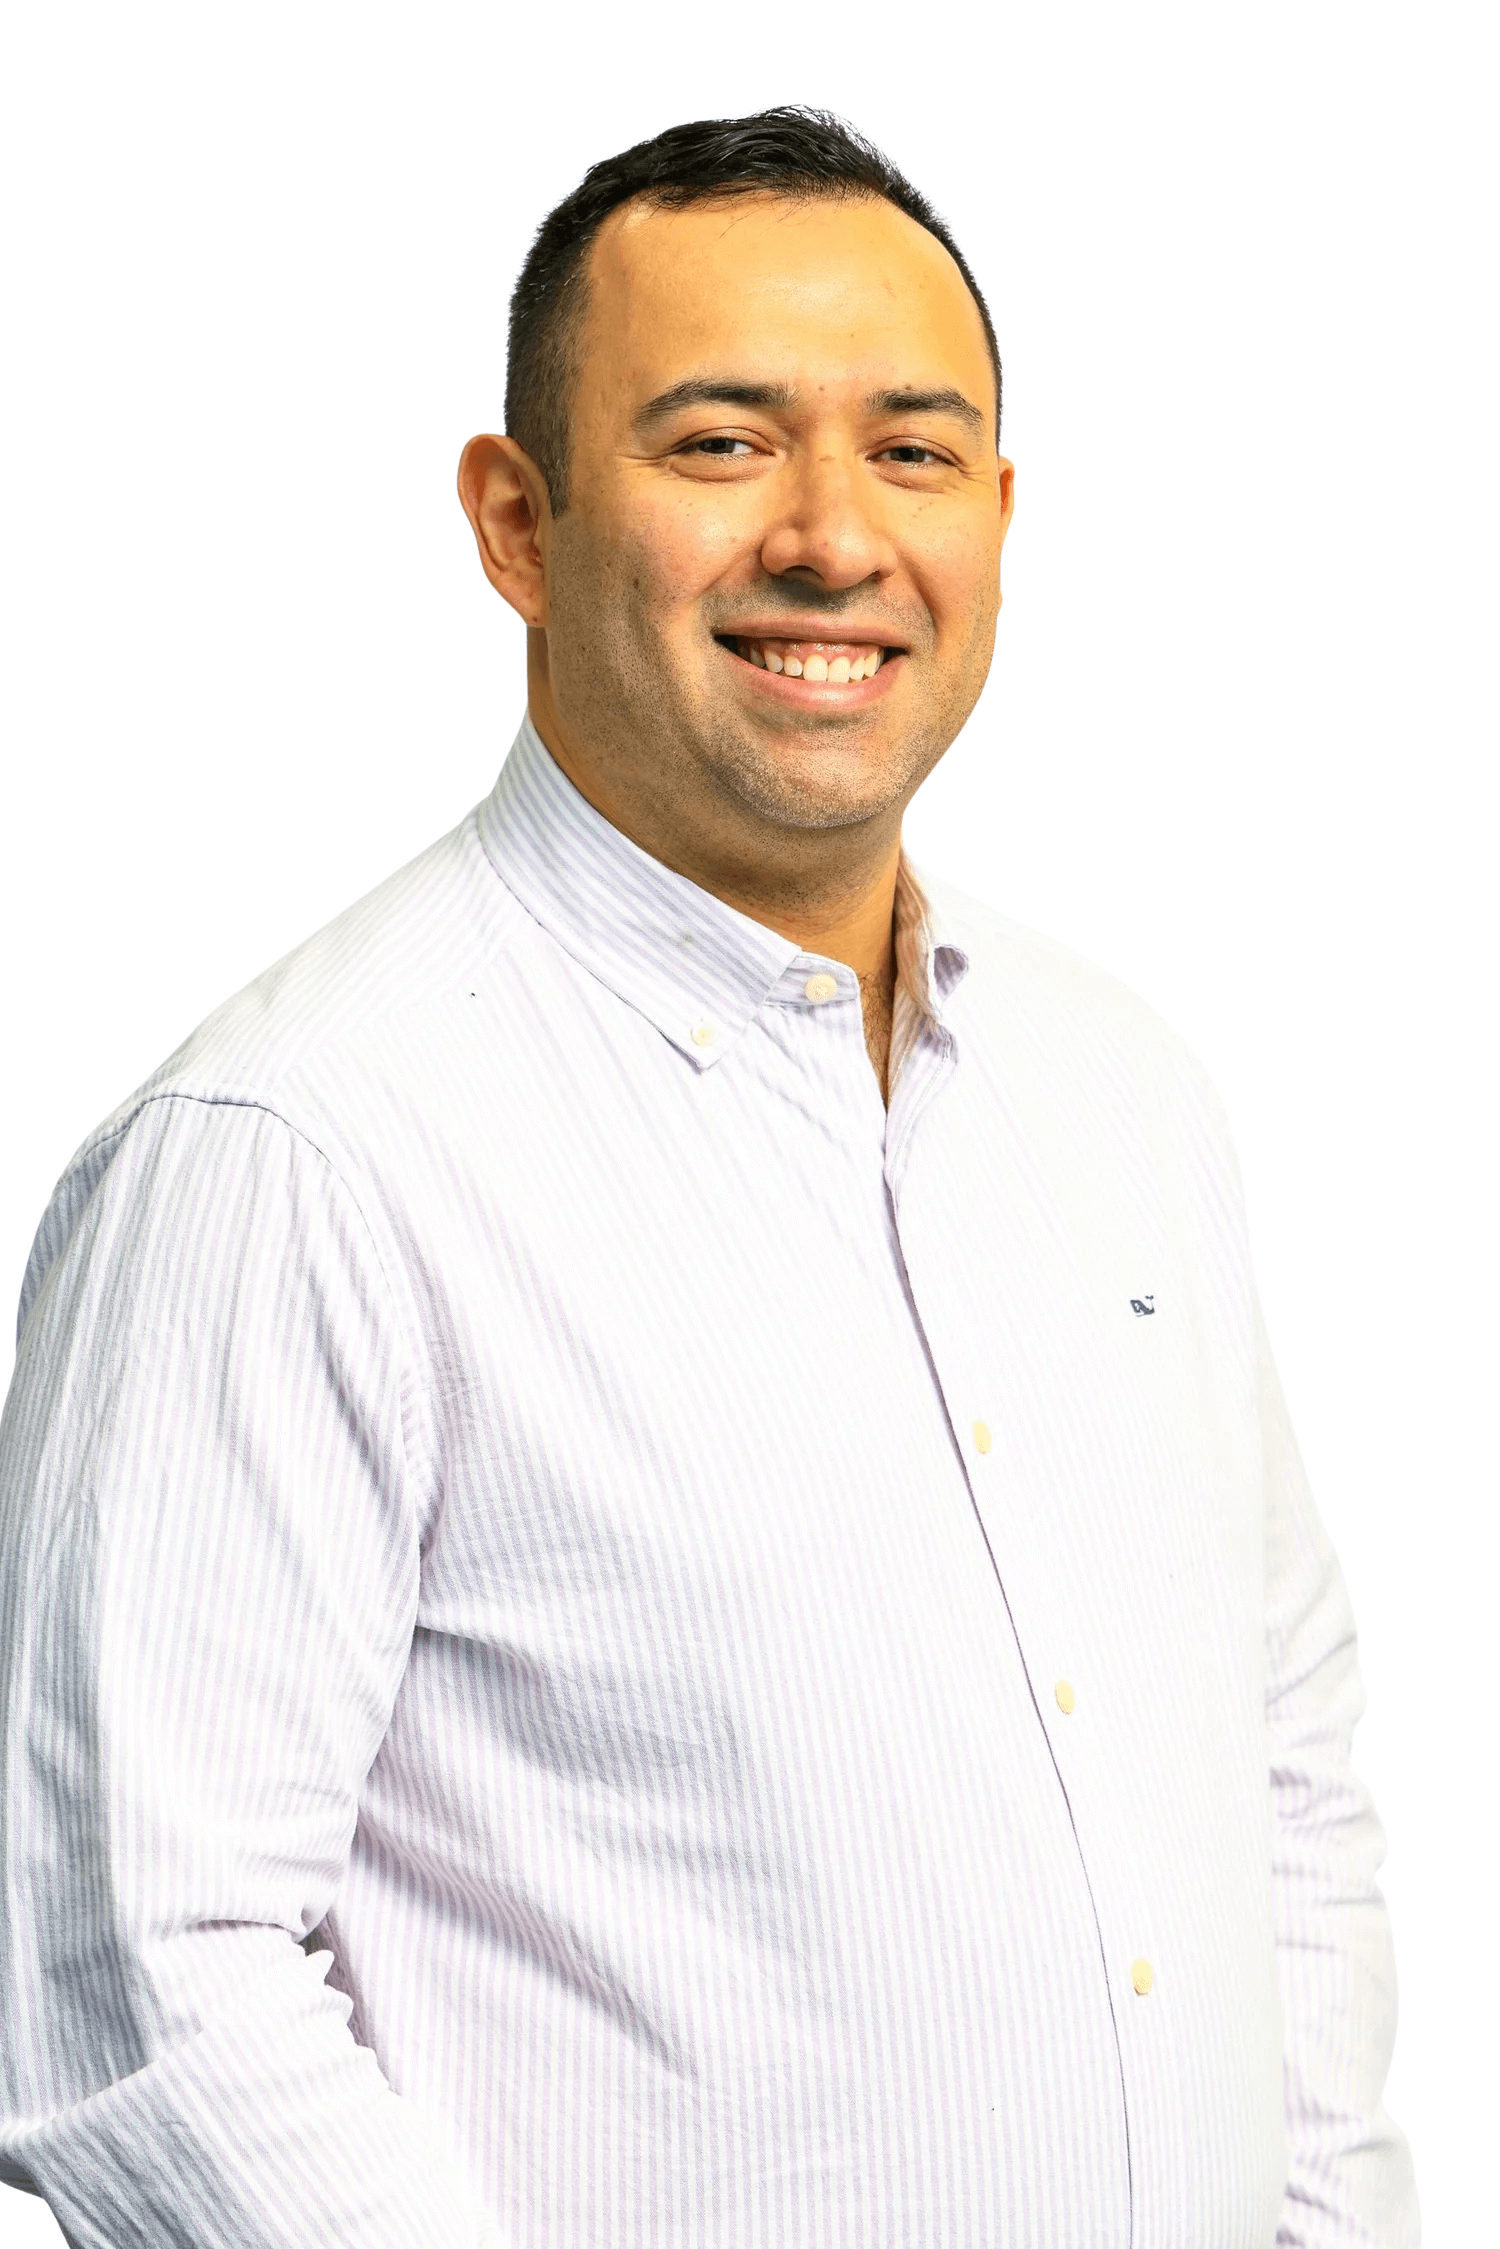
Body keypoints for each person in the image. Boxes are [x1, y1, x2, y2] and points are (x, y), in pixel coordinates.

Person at [0, 106, 1417, 2249]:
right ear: (519, 522)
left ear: (1000, 519)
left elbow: (1279, 1776)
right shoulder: (297, 1157)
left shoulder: (1121, 1092)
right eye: (723, 443)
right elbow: (139, 1991)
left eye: (914, 451)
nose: (833, 539)